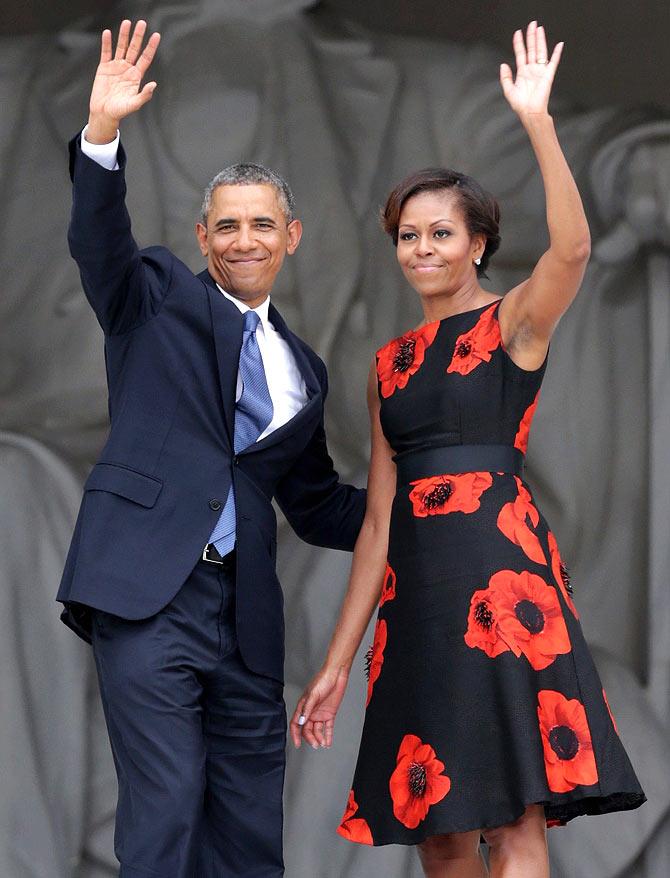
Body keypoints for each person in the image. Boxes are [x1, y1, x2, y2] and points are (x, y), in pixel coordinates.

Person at [291, 22, 645, 878]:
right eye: (408, 237)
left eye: (440, 234)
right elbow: (376, 523)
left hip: (503, 582)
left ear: (477, 242)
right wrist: (335, 666)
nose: (422, 250)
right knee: (439, 830)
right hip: (416, 603)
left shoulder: (512, 323)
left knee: (515, 823)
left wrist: (538, 124)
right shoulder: (389, 366)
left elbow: (573, 249)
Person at [56, 19, 366, 878]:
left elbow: (316, 503)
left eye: (261, 224)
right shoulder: (152, 297)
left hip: (245, 621)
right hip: (149, 593)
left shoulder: (303, 369)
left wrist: (428, 509)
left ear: (290, 238)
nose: (243, 240)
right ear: (203, 239)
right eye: (225, 225)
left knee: (246, 834)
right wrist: (103, 133)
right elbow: (97, 240)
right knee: (162, 816)